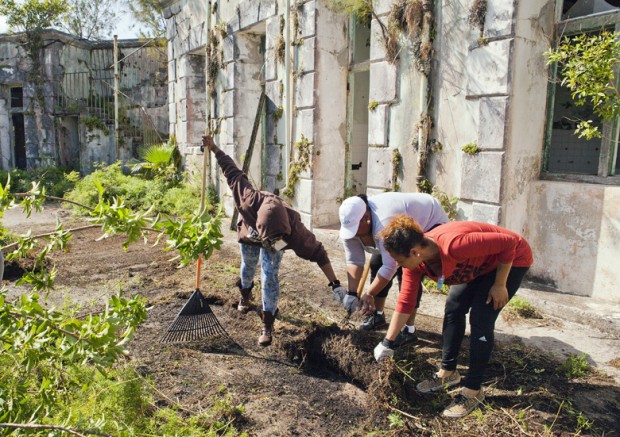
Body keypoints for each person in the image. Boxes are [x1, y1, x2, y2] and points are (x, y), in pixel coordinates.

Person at [372, 214, 533, 418]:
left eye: (399, 261)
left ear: (414, 252)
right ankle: (448, 372)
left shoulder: (455, 245)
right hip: (479, 263)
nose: (399, 265)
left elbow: (510, 243)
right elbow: (406, 302)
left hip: (511, 260)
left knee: (481, 317)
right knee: (454, 307)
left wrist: (500, 284)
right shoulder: (417, 262)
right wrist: (387, 342)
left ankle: (473, 390)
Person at [202, 135, 351, 346]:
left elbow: (319, 252)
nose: (272, 243)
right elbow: (230, 169)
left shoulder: (294, 230)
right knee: (247, 267)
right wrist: (213, 147)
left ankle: (267, 323)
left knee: (269, 275)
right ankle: (245, 294)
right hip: (250, 232)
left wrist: (335, 285)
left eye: (275, 239)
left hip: (275, 239)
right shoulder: (248, 198)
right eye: (270, 239)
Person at [339, 193, 448, 336]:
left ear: (366, 218)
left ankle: (408, 329)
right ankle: (377, 315)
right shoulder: (351, 226)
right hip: (396, 226)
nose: (352, 234)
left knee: (409, 271)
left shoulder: (384, 222)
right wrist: (352, 293)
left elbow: (390, 266)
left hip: (430, 220)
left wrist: (369, 293)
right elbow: (354, 261)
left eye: (355, 228)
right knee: (376, 263)